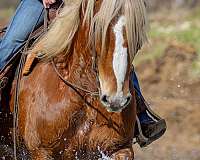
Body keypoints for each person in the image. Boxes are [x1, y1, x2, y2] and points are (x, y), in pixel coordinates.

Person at [0, 0, 166, 147]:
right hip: (40, 3)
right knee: (12, 42)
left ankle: (141, 114)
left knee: (113, 41)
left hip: (84, 3)